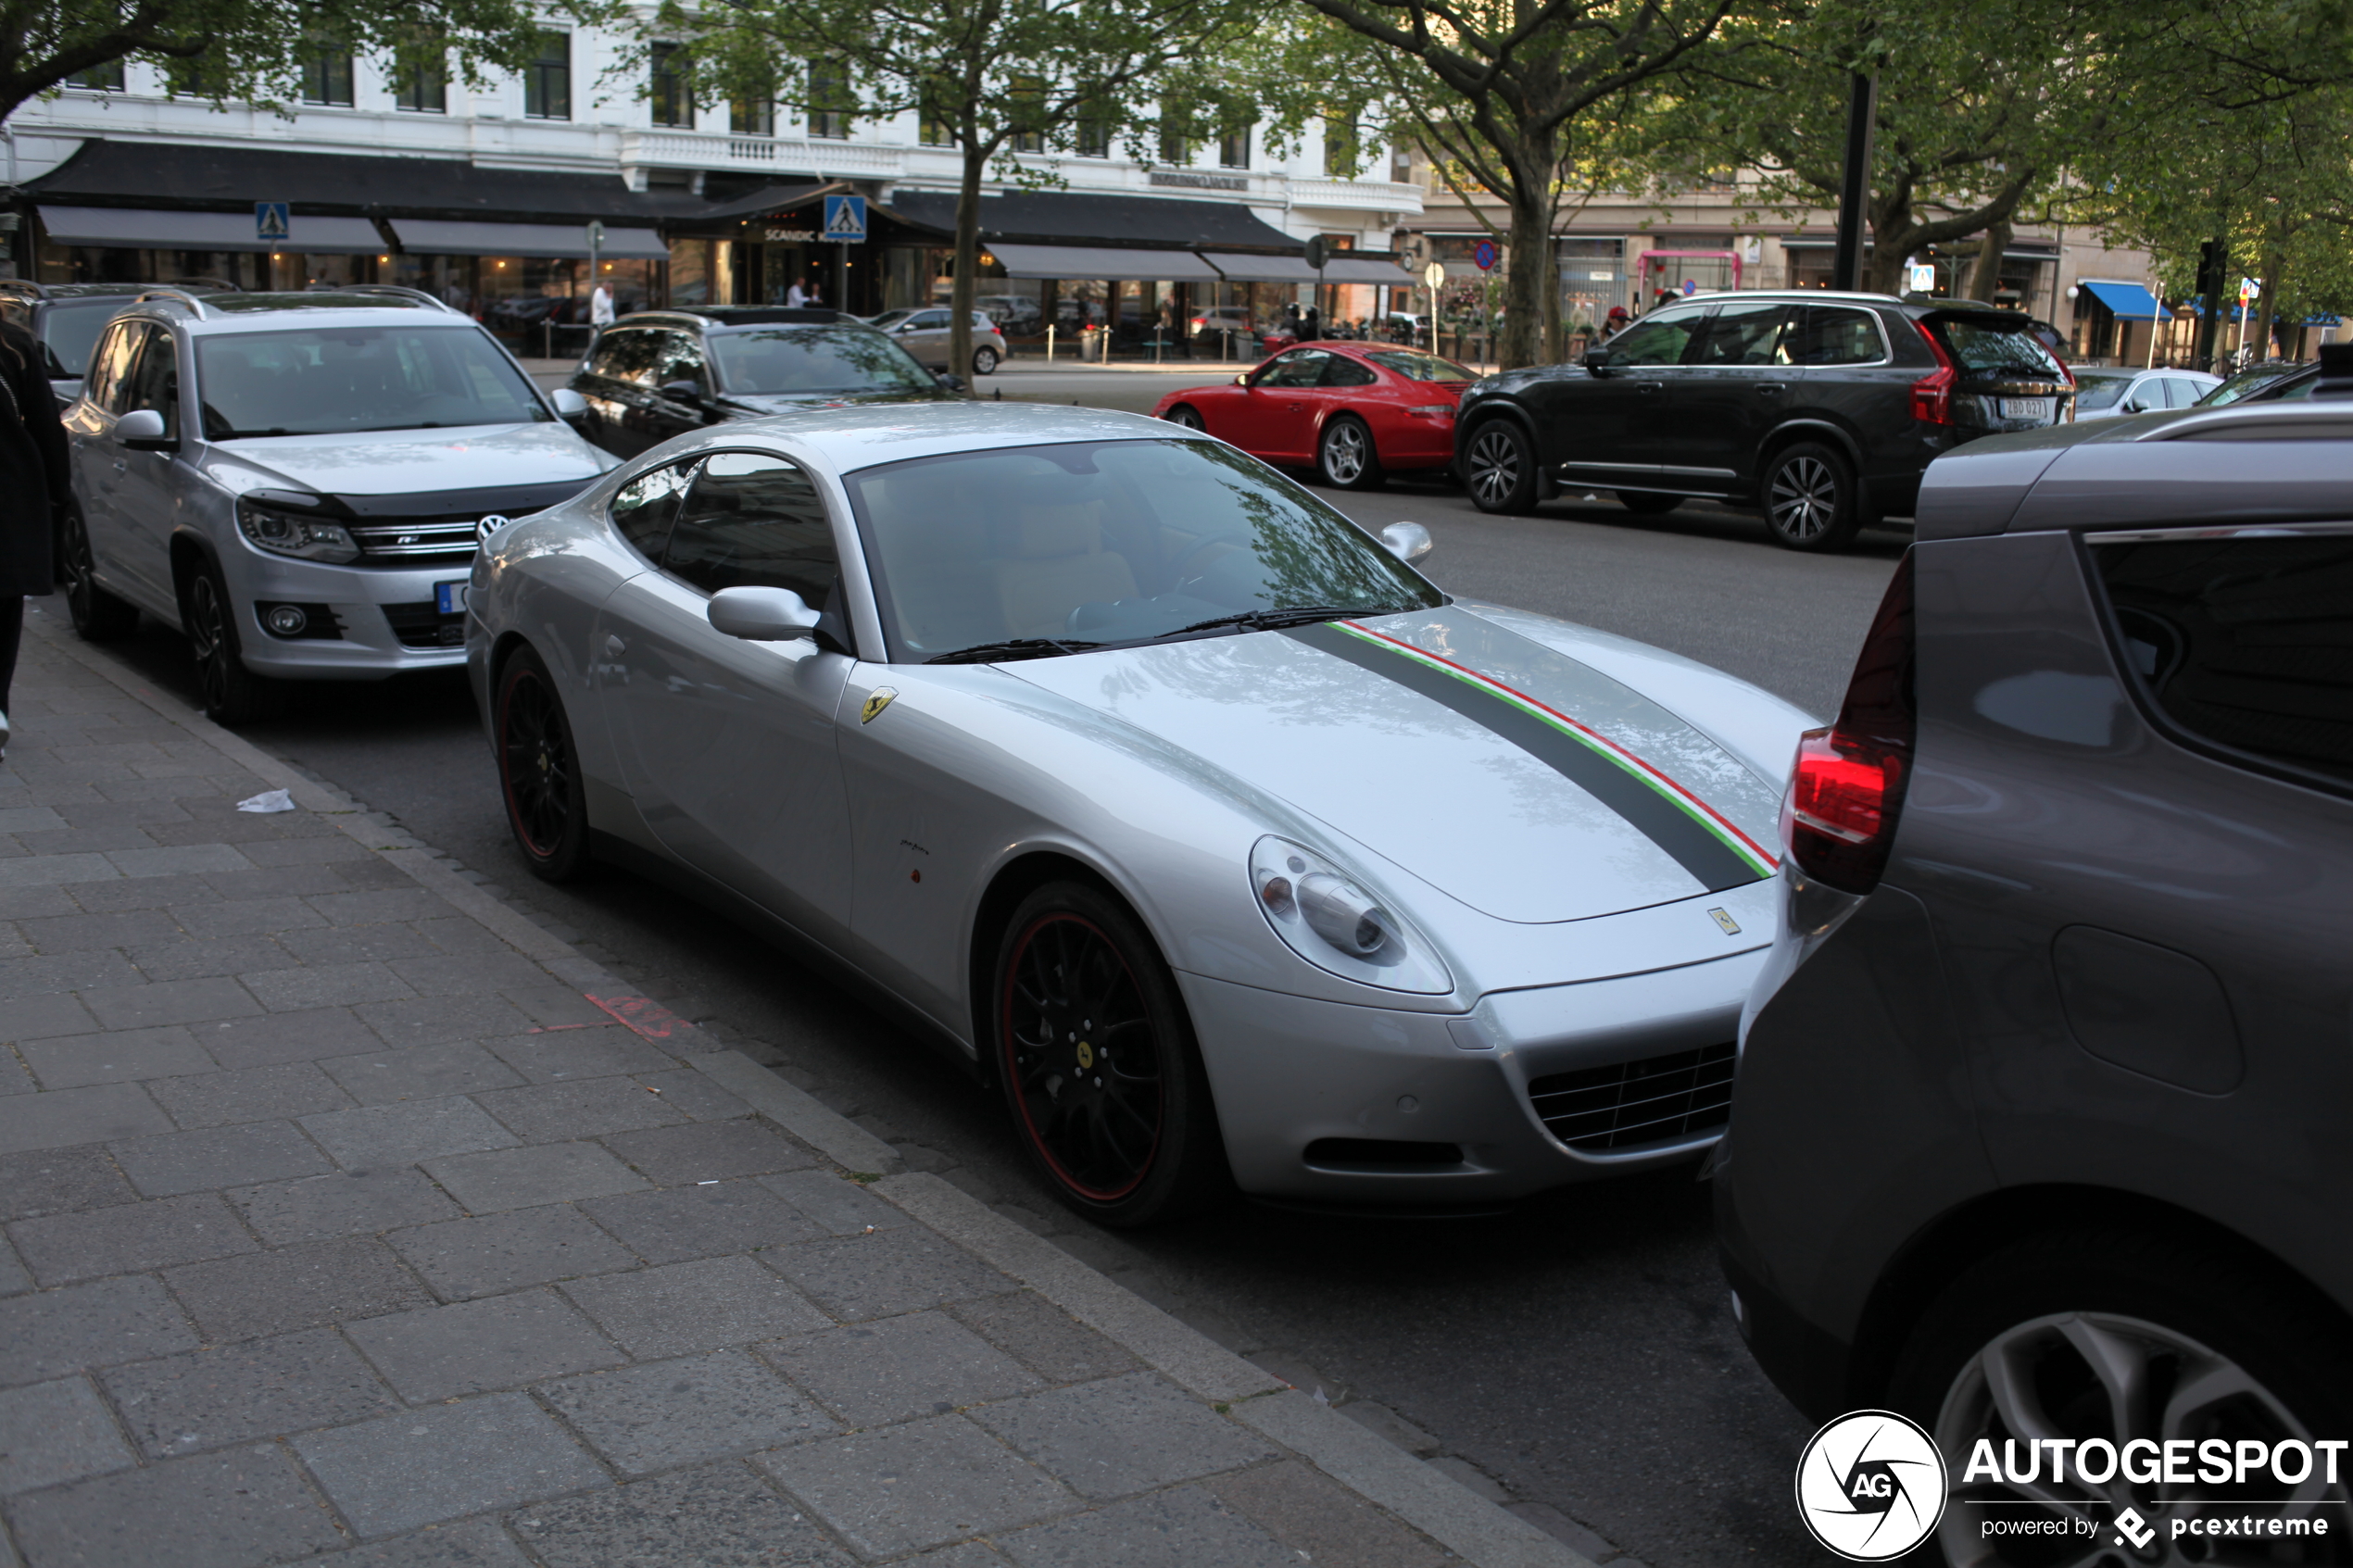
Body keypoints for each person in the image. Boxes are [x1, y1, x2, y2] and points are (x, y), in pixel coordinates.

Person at [0, 317, 67, 762]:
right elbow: (46, 426)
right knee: (3, 608)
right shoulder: (14, 344)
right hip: (9, 493)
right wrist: (57, 498)